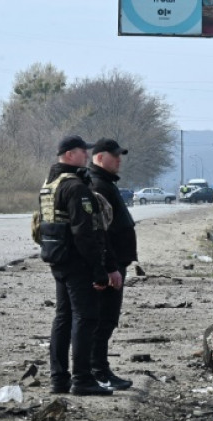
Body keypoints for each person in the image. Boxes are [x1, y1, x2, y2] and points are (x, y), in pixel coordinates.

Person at [41, 135, 121, 396]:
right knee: (85, 318)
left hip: (57, 259)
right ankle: (82, 379)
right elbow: (86, 233)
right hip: (77, 263)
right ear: (69, 154)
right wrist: (100, 270)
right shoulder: (75, 187)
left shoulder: (48, 185)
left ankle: (59, 379)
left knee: (63, 318)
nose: (86, 156)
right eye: (82, 152)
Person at [88, 138, 136, 391]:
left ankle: (100, 369)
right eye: (114, 155)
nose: (119, 160)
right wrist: (109, 266)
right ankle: (98, 371)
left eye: (120, 155)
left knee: (107, 319)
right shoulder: (98, 185)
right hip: (110, 265)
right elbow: (100, 231)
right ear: (99, 157)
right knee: (103, 319)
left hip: (116, 262)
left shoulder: (106, 183)